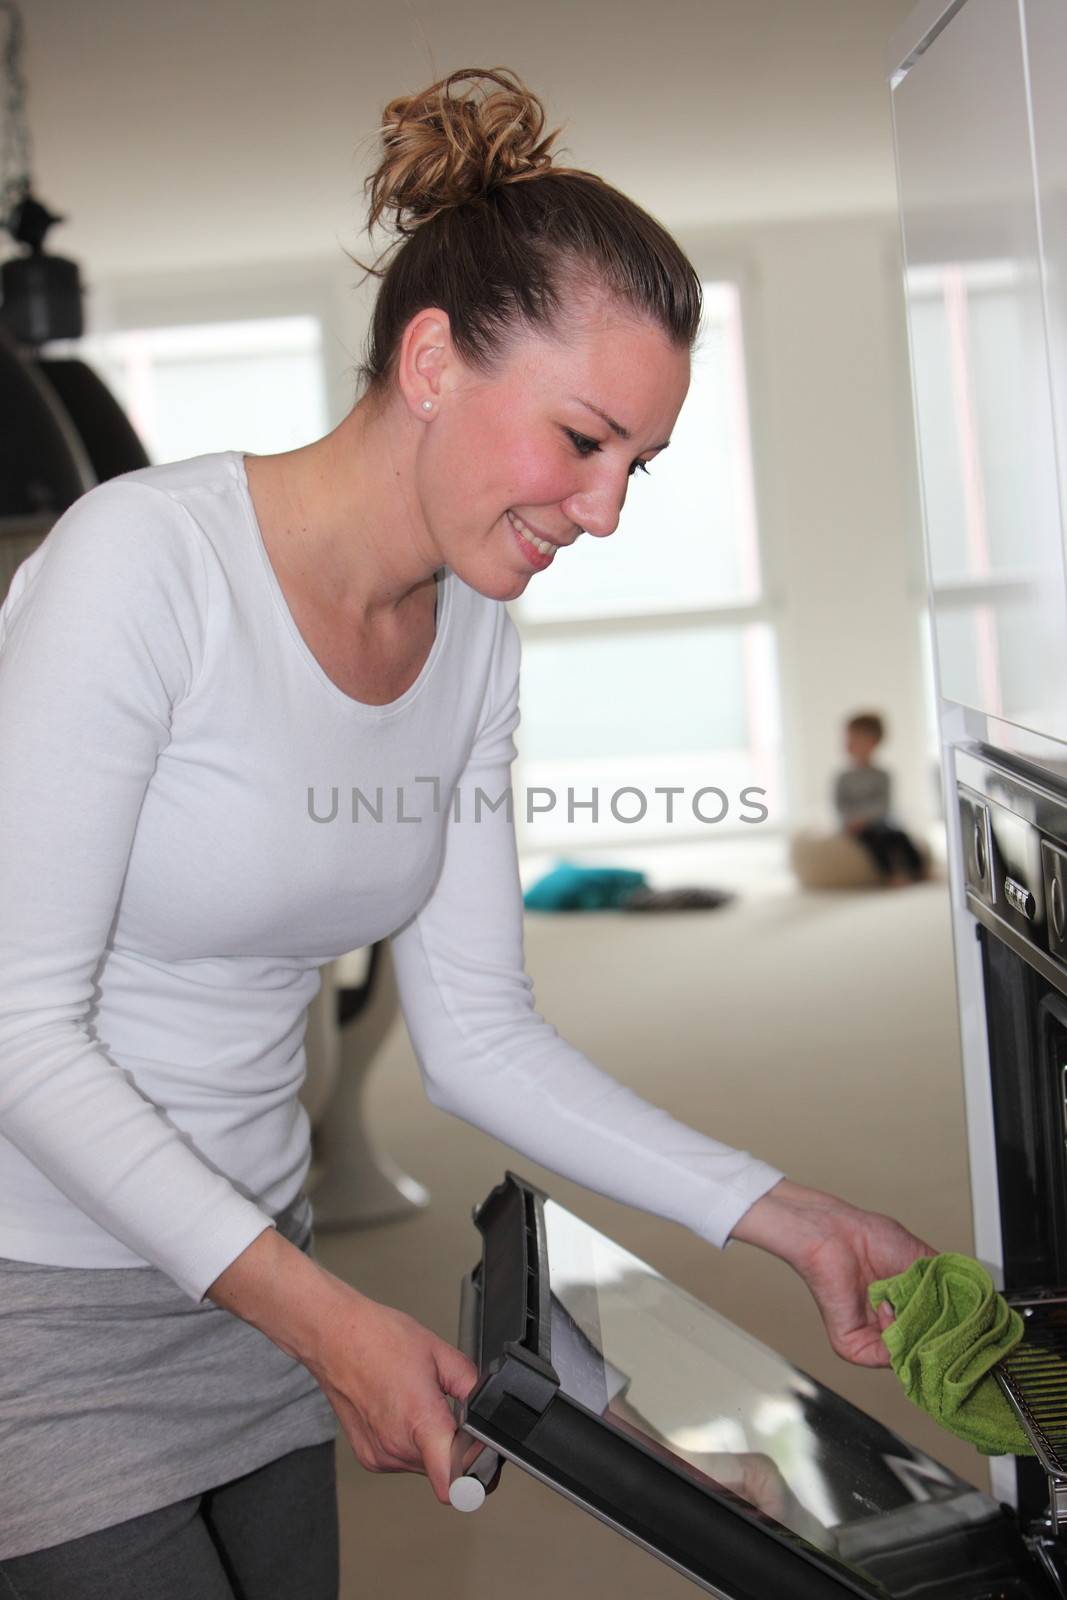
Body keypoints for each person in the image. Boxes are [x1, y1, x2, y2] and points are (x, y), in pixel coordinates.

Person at [0, 68, 933, 1596]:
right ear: (429, 359)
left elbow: (479, 1034)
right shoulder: (140, 569)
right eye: (581, 439)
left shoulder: (473, 636)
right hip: (41, 1298)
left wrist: (791, 1213)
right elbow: (19, 1032)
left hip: (253, 1260)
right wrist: (327, 1320)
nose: (606, 510)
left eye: (637, 464)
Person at [834, 711, 926, 885]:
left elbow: (884, 805)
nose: (850, 744)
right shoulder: (843, 778)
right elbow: (840, 805)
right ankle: (890, 874)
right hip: (854, 826)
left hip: (879, 821)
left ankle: (918, 869)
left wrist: (866, 818)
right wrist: (852, 821)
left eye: (856, 740)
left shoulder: (882, 775)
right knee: (875, 840)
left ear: (873, 743)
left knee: (899, 835)